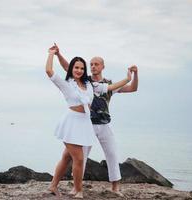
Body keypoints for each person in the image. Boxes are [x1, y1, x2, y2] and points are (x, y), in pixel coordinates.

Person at [51, 43, 139, 196]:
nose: (93, 66)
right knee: (79, 158)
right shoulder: (86, 81)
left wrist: (133, 75)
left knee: (111, 154)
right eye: (90, 64)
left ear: (103, 66)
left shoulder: (107, 84)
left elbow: (132, 88)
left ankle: (115, 187)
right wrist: (58, 54)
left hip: (104, 124)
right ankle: (75, 187)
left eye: (96, 64)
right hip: (86, 124)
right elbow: (68, 68)